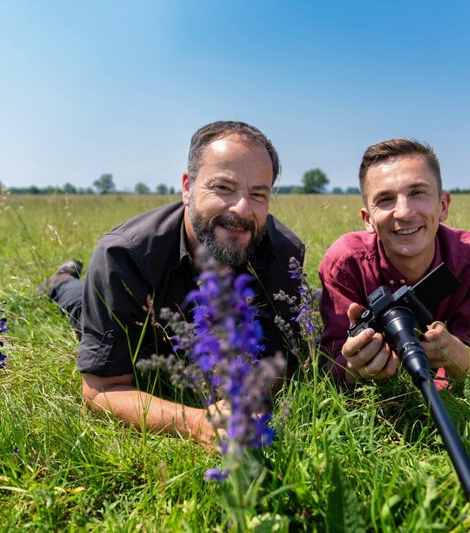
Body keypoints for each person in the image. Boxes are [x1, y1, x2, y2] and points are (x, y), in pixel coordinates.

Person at [42, 121, 305, 448]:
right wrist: (198, 423)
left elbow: (283, 359)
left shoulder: (284, 253)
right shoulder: (123, 256)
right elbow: (101, 389)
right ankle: (61, 280)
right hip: (144, 333)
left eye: (257, 194)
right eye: (223, 188)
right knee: (81, 305)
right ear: (187, 186)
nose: (241, 209)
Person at [318, 139, 470, 388]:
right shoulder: (345, 264)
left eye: (417, 193)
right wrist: (354, 368)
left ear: (443, 205)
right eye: (385, 199)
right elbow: (329, 366)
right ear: (368, 219)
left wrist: (457, 355)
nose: (404, 212)